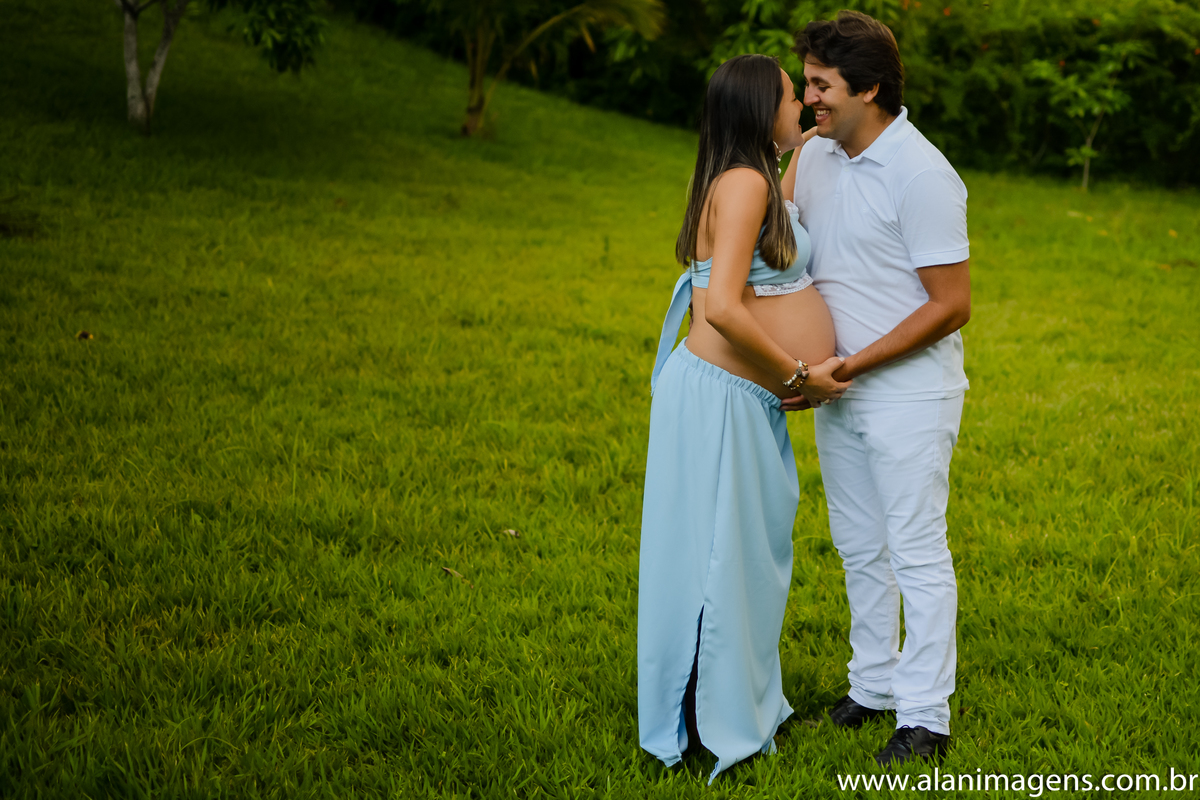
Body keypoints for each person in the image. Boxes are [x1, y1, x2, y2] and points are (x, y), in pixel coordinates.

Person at [638, 53, 850, 782]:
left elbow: (780, 213)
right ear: (764, 109)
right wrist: (798, 375)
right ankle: (718, 720)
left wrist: (824, 131)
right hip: (724, 399)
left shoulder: (755, 176)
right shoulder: (742, 184)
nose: (804, 103)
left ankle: (724, 702)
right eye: (796, 95)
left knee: (743, 558)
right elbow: (721, 306)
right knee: (726, 562)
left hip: (737, 398)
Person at [780, 10, 973, 768]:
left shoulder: (924, 173)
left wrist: (851, 368)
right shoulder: (818, 153)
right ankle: (872, 688)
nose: (808, 99)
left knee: (916, 550)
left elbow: (951, 303)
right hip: (838, 386)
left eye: (821, 85)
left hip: (908, 394)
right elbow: (780, 239)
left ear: (870, 87)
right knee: (860, 548)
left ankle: (925, 716)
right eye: (805, 83)